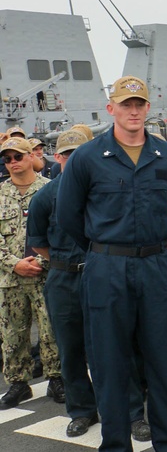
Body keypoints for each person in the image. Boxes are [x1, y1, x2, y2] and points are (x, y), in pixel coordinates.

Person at [57, 76, 167, 452]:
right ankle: (115, 444)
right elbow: (68, 214)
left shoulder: (165, 155)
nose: (133, 111)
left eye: (139, 104)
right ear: (111, 108)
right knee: (109, 362)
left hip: (154, 265)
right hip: (106, 269)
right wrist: (103, 249)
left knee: (164, 360)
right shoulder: (87, 157)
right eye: (125, 104)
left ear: (148, 108)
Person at [28, 129, 152, 440]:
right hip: (64, 278)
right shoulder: (45, 196)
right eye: (68, 155)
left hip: (106, 276)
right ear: (57, 158)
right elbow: (39, 243)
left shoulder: (110, 189)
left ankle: (133, 412)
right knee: (71, 350)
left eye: (80, 153)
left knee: (119, 346)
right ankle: (82, 411)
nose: (74, 159)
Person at [0, 136, 61, 409]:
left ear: (30, 157)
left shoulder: (51, 190)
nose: (12, 163)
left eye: (18, 157)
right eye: (7, 159)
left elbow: (59, 232)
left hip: (44, 274)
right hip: (10, 277)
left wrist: (39, 262)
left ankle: (56, 379)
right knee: (13, 333)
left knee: (50, 329)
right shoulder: (0, 194)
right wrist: (14, 263)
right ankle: (18, 383)